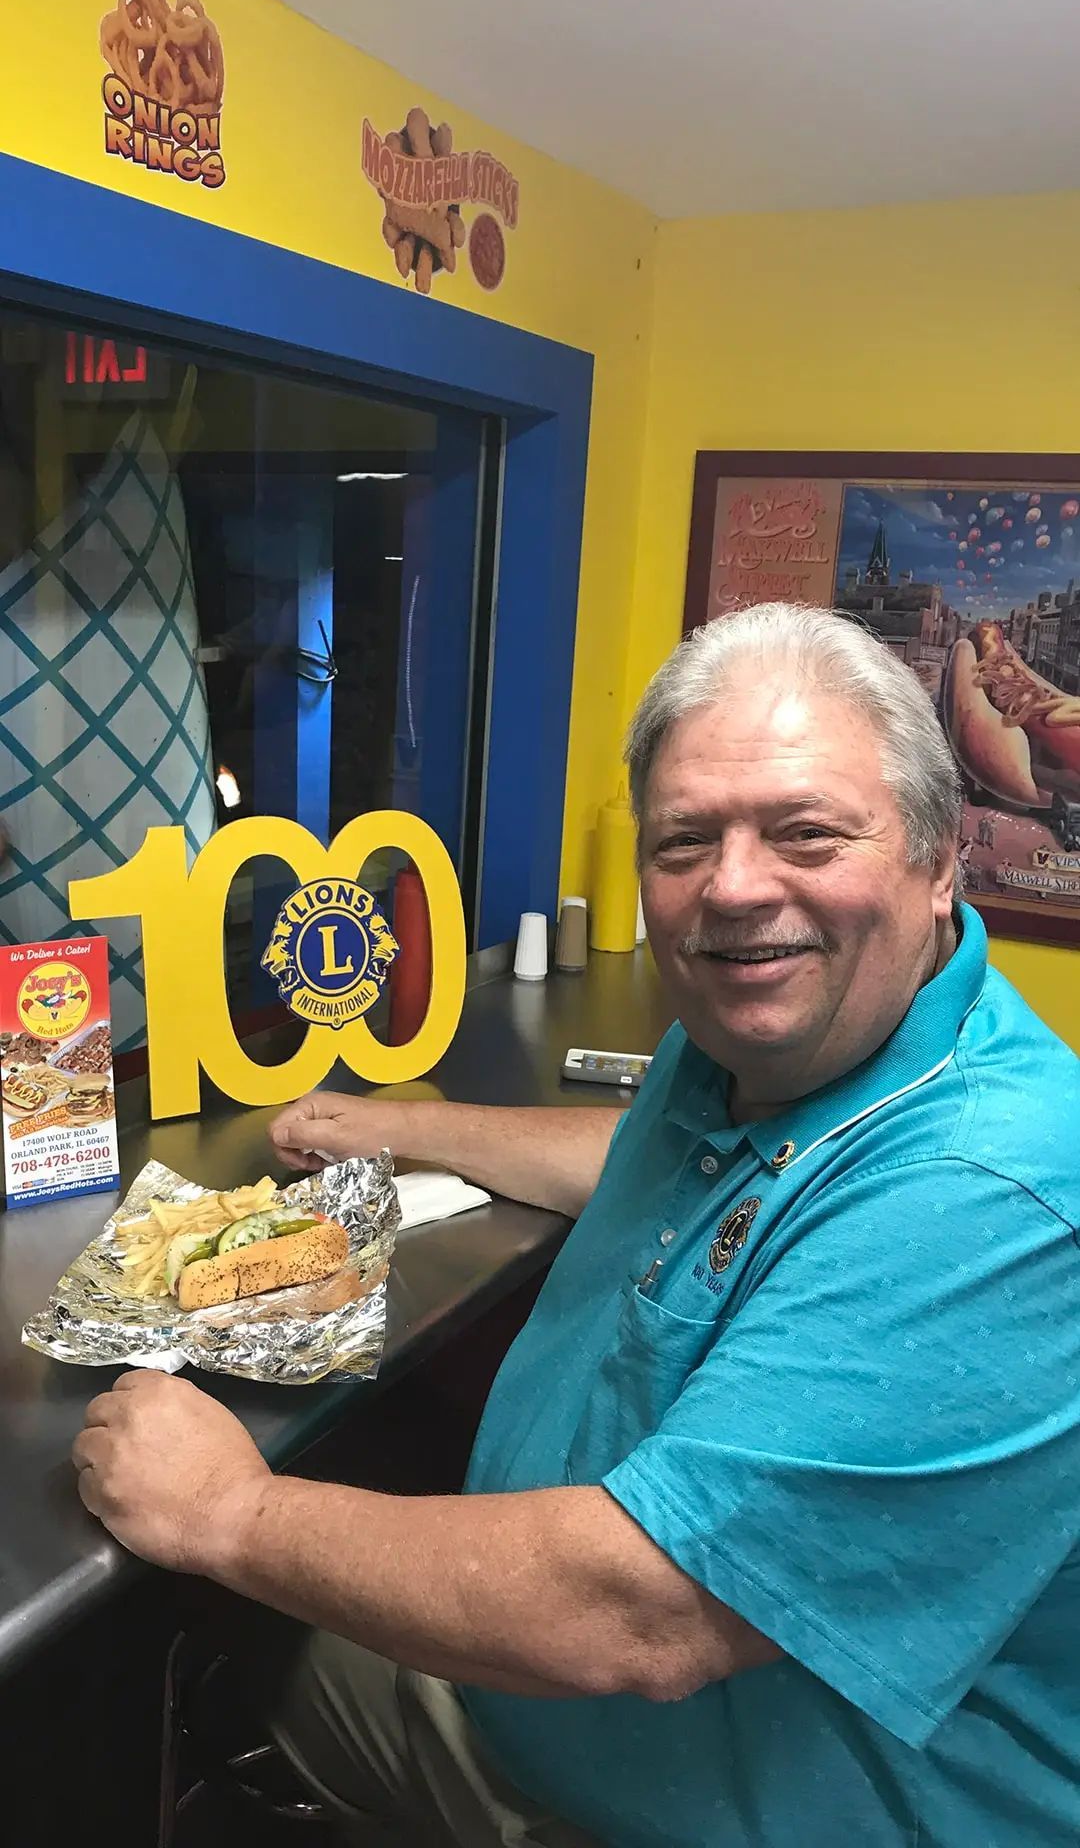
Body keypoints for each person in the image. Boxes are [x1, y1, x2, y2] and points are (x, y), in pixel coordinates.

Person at [73, 603, 1080, 1848]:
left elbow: (641, 1615)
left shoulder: (989, 1197)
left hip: (680, 1793)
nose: (735, 887)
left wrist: (228, 1511)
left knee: (161, 1661)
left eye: (807, 832)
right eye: (686, 841)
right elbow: (660, 1162)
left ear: (939, 865)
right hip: (562, 1705)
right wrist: (405, 1128)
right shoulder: (770, 1050)